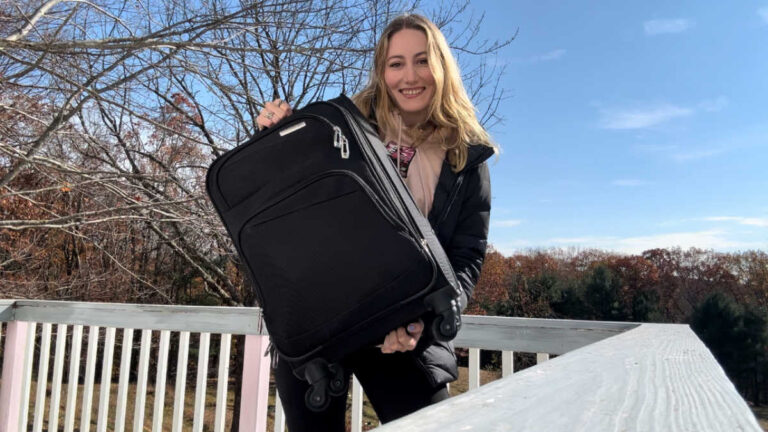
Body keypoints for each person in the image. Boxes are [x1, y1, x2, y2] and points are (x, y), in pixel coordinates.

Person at [256, 13, 496, 431]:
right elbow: (292, 204)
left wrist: (427, 325)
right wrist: (273, 138)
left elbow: (467, 256)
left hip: (401, 334)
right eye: (395, 63)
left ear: (440, 66)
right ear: (381, 71)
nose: (410, 76)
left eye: (422, 61)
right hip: (319, 327)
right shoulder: (344, 126)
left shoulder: (465, 156)